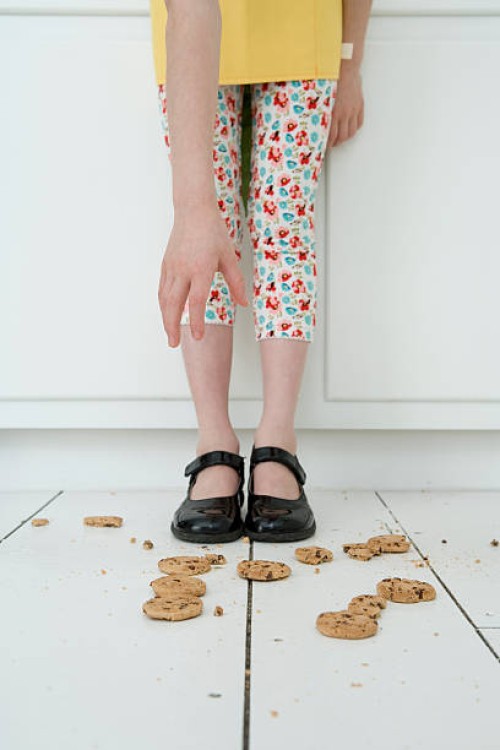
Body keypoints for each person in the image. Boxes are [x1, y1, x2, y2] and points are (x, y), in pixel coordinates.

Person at [150, 0, 372, 543]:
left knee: (284, 226)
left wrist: (349, 61)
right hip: (192, 38)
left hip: (307, 36)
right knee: (206, 222)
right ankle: (213, 440)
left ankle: (279, 437)